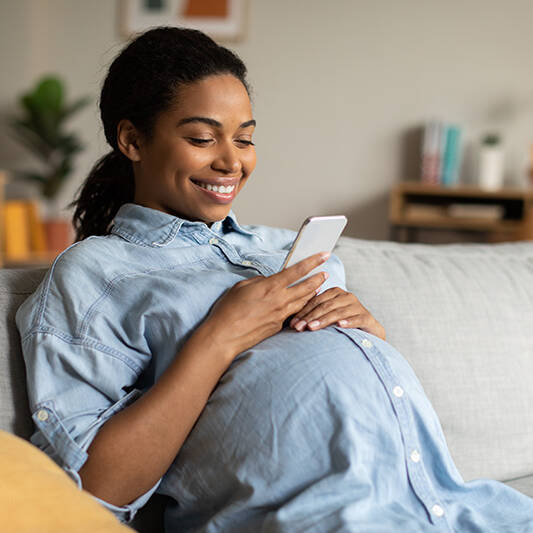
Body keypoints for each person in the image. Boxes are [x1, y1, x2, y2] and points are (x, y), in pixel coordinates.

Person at [16, 27, 533, 532]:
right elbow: (92, 489)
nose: (231, 160)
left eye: (245, 139)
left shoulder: (286, 249)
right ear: (132, 140)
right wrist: (218, 338)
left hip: (462, 509)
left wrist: (365, 335)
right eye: (202, 137)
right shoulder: (96, 273)